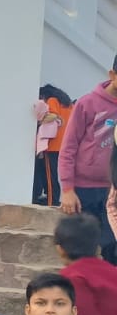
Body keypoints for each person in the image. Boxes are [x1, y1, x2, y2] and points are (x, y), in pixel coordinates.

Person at [58, 59, 117, 260]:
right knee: (81, 250)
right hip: (84, 191)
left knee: (113, 249)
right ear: (112, 75)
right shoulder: (87, 103)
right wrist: (68, 189)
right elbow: (68, 147)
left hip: (113, 191)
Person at [33, 83, 73, 206]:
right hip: (65, 145)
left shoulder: (52, 100)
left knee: (50, 176)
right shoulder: (68, 104)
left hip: (53, 145)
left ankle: (52, 201)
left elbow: (52, 115)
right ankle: (53, 199)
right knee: (56, 175)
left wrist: (39, 121)